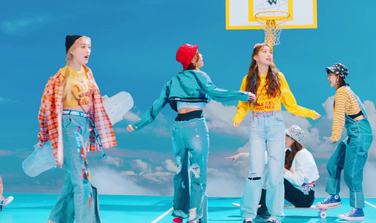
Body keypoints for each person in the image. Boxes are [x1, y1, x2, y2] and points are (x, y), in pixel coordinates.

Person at [127, 43, 255, 223]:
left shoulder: (172, 81)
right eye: (198, 54)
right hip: (195, 127)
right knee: (197, 172)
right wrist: (242, 95)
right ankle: (194, 216)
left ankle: (179, 213)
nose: (202, 56)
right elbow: (215, 93)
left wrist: (137, 125)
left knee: (180, 171)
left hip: (177, 129)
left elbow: (156, 106)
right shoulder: (200, 75)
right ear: (193, 60)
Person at [233, 43, 321, 223]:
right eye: (264, 51)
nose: (268, 54)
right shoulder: (248, 79)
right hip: (256, 123)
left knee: (275, 173)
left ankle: (276, 215)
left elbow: (291, 105)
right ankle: (248, 215)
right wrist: (238, 117)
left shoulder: (278, 77)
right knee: (255, 172)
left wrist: (310, 113)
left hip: (275, 124)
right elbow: (242, 104)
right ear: (255, 57)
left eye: (270, 52)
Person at [38, 35, 117, 223]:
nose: (88, 50)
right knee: (81, 178)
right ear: (71, 51)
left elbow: (92, 102)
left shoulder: (88, 74)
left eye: (89, 47)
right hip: (68, 125)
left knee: (72, 177)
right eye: (83, 46)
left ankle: (55, 219)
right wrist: (43, 138)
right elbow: (45, 108)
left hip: (83, 127)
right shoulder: (59, 77)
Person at [316, 63, 373, 221]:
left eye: (331, 75)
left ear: (339, 77)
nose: (328, 78)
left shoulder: (342, 92)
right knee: (333, 164)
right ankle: (334, 196)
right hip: (353, 134)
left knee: (352, 173)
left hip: (360, 135)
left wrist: (335, 135)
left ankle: (358, 210)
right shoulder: (346, 91)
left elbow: (340, 116)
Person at [228, 125, 319, 219]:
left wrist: (282, 170)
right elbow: (267, 156)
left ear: (294, 139)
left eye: (286, 137)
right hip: (294, 191)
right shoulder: (288, 152)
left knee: (276, 174)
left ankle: (264, 207)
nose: (283, 139)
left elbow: (299, 181)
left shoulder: (304, 155)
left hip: (304, 197)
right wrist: (242, 155)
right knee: (271, 171)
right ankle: (260, 201)